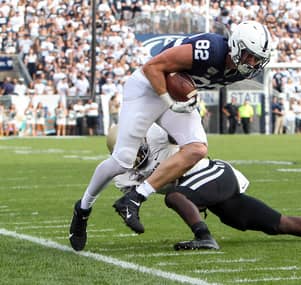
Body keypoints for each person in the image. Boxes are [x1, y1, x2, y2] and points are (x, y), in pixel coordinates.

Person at [69, 20, 273, 247]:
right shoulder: (211, 49)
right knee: (122, 161)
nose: (252, 62)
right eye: (248, 55)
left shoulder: (240, 72)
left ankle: (135, 199)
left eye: (257, 58)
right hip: (147, 89)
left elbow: (188, 81)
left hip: (174, 97)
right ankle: (83, 209)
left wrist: (184, 98)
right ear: (235, 46)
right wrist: (170, 100)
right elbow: (152, 67)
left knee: (196, 148)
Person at [68, 123, 301, 251]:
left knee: (175, 195)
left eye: (134, 150)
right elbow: (101, 183)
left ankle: (204, 237)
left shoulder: (158, 134)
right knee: (274, 223)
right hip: (207, 194)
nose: (133, 158)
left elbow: (188, 132)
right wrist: (83, 212)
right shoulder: (121, 174)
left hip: (213, 174)